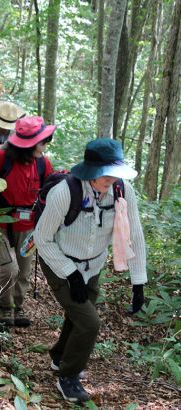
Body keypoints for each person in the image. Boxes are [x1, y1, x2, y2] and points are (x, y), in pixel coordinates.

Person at [33, 138, 147, 403]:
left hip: (94, 264)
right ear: (90, 171)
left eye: (114, 173)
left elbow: (136, 235)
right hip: (59, 262)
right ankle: (68, 377)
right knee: (89, 322)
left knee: (79, 313)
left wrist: (138, 282)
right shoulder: (64, 193)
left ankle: (60, 356)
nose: (110, 179)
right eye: (104, 174)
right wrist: (70, 273)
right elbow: (42, 238)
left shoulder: (122, 190)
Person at [0, 116, 55, 327]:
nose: (45, 145)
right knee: (10, 268)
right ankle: (4, 308)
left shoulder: (43, 162)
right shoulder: (3, 157)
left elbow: (51, 188)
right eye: (43, 141)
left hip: (29, 226)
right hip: (0, 222)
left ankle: (17, 307)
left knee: (25, 272)